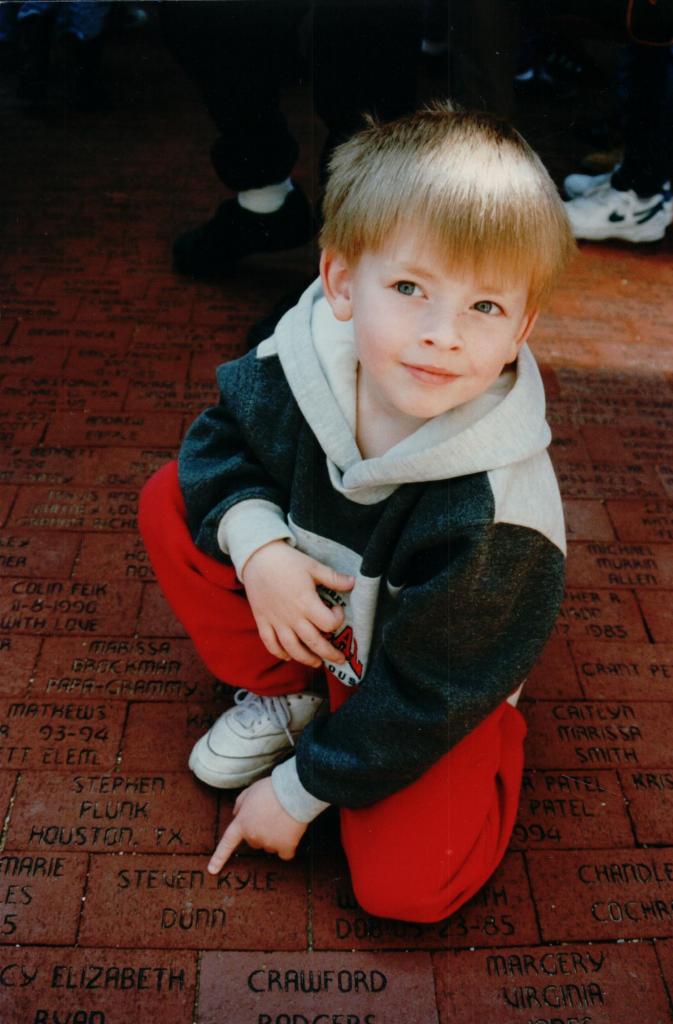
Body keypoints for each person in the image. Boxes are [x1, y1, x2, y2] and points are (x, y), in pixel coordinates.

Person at [139, 104, 574, 923]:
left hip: (432, 682)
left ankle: (482, 750)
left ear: (520, 328)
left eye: (484, 308)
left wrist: (298, 794)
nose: (441, 336)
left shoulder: (498, 514)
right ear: (341, 282)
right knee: (172, 497)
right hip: (327, 618)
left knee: (405, 892)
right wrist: (258, 547)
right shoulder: (298, 357)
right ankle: (292, 692)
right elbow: (214, 445)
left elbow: (428, 693)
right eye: (409, 287)